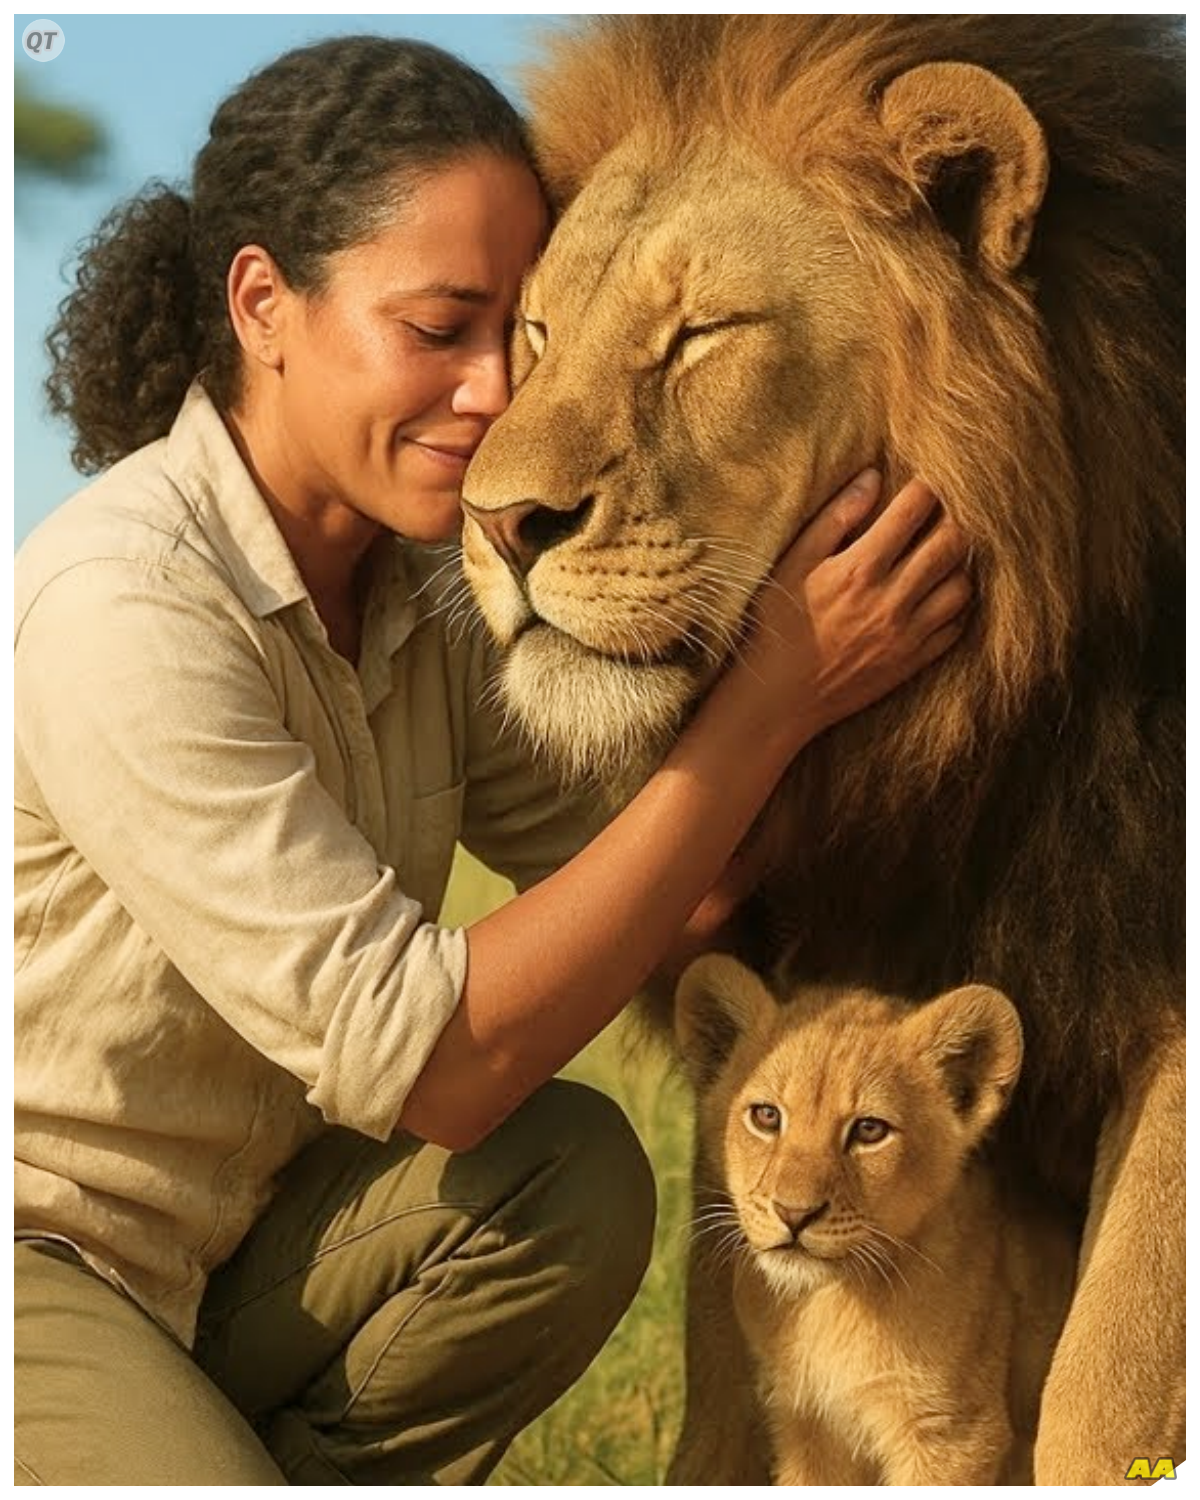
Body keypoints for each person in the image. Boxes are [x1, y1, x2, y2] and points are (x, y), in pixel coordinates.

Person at [13, 35, 972, 1487]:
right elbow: (442, 1067)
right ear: (264, 306)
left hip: (231, 1255)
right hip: (46, 1259)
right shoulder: (124, 605)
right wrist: (773, 700)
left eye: (516, 335)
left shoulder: (415, 591)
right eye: (438, 331)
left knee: (567, 1177)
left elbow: (671, 883)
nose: (498, 403)